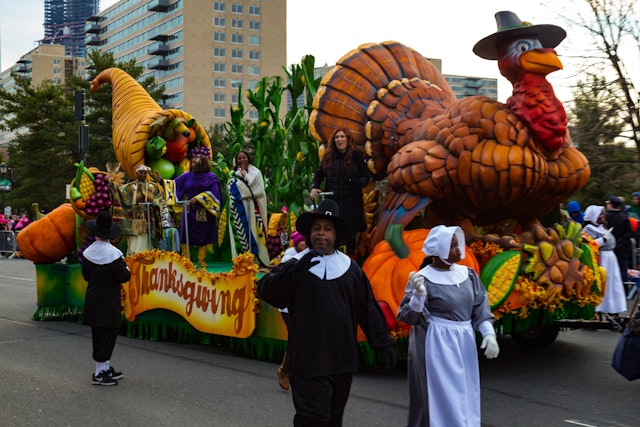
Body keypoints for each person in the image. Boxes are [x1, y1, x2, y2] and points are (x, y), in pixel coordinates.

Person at [257, 199, 397, 425]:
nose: (321, 234)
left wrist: (383, 343)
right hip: (308, 360)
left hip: (342, 362)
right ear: (309, 233)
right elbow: (267, 291)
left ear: (336, 234)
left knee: (333, 420)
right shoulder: (297, 264)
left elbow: (367, 308)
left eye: (327, 229)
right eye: (317, 228)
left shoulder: (351, 269)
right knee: (313, 420)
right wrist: (292, 272)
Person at [397, 225, 499, 427]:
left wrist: (488, 333)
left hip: (464, 342)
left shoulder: (468, 275)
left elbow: (480, 305)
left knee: (464, 392)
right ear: (439, 250)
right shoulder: (422, 279)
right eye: (452, 246)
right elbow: (407, 316)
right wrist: (417, 298)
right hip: (436, 344)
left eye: (457, 245)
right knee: (441, 397)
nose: (459, 250)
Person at [81, 211, 131, 386]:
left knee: (98, 334)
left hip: (94, 299)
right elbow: (124, 276)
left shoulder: (88, 252)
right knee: (108, 335)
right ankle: (99, 373)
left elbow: (86, 275)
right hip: (109, 301)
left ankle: (103, 367)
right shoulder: (114, 254)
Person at [310, 127, 371, 255]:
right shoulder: (328, 156)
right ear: (334, 140)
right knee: (332, 231)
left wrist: (354, 182)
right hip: (333, 202)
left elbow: (366, 177)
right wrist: (314, 187)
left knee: (350, 233)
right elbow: (318, 175)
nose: (339, 139)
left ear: (348, 139)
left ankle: (349, 261)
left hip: (352, 203)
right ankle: (331, 259)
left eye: (342, 137)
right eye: (337, 137)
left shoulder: (356, 155)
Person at [174, 153, 222, 269]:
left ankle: (201, 261)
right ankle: (186, 260)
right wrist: (161, 181)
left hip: (204, 212)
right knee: (186, 235)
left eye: (196, 162)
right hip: (189, 210)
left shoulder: (211, 177)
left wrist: (198, 199)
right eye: (193, 162)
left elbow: (215, 193)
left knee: (203, 235)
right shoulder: (187, 176)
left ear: (203, 164)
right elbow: (173, 184)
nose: (193, 164)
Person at [276, 230, 308, 391]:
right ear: (296, 242)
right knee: (296, 339)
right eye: (301, 241)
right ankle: (285, 371)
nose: (304, 244)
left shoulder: (311, 255)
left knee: (302, 339)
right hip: (288, 307)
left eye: (306, 241)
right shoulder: (290, 258)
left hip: (304, 305)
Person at [582, 205, 627, 317]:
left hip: (611, 259)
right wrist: (602, 240)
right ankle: (597, 311)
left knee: (613, 285)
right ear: (593, 216)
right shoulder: (588, 229)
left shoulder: (602, 227)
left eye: (603, 214)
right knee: (602, 284)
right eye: (600, 214)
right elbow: (588, 244)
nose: (603, 216)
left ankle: (614, 311)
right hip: (601, 259)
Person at [228, 150, 270, 267]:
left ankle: (257, 260)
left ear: (248, 158)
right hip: (238, 208)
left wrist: (245, 176)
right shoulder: (232, 174)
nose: (242, 160)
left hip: (253, 207)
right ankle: (241, 260)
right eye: (239, 159)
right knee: (241, 233)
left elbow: (259, 190)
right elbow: (230, 190)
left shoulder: (256, 173)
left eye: (244, 158)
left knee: (255, 231)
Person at [114, 164, 167, 256]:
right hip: (135, 219)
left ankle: (146, 257)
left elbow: (159, 198)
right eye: (140, 172)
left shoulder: (153, 186)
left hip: (149, 219)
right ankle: (133, 258)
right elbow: (121, 197)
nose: (143, 174)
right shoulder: (129, 186)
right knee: (134, 243)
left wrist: (155, 202)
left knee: (146, 241)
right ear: (136, 174)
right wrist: (114, 187)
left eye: (144, 173)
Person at [605, 195, 633, 284]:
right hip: (621, 248)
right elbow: (628, 232)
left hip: (607, 248)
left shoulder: (605, 217)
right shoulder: (624, 217)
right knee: (622, 271)